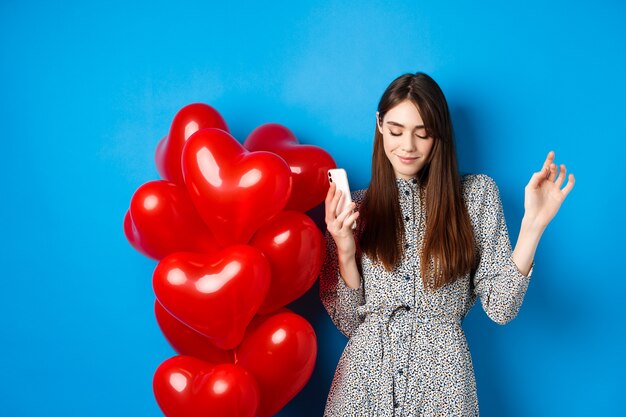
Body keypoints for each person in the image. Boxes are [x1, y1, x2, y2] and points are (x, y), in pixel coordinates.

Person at [319, 72, 575, 416]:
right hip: (364, 385)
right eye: (396, 131)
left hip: (442, 386)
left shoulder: (476, 197)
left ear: (439, 134)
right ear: (379, 125)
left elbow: (501, 308)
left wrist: (532, 225)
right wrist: (345, 247)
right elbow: (351, 323)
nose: (407, 146)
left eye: (422, 134)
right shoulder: (358, 209)